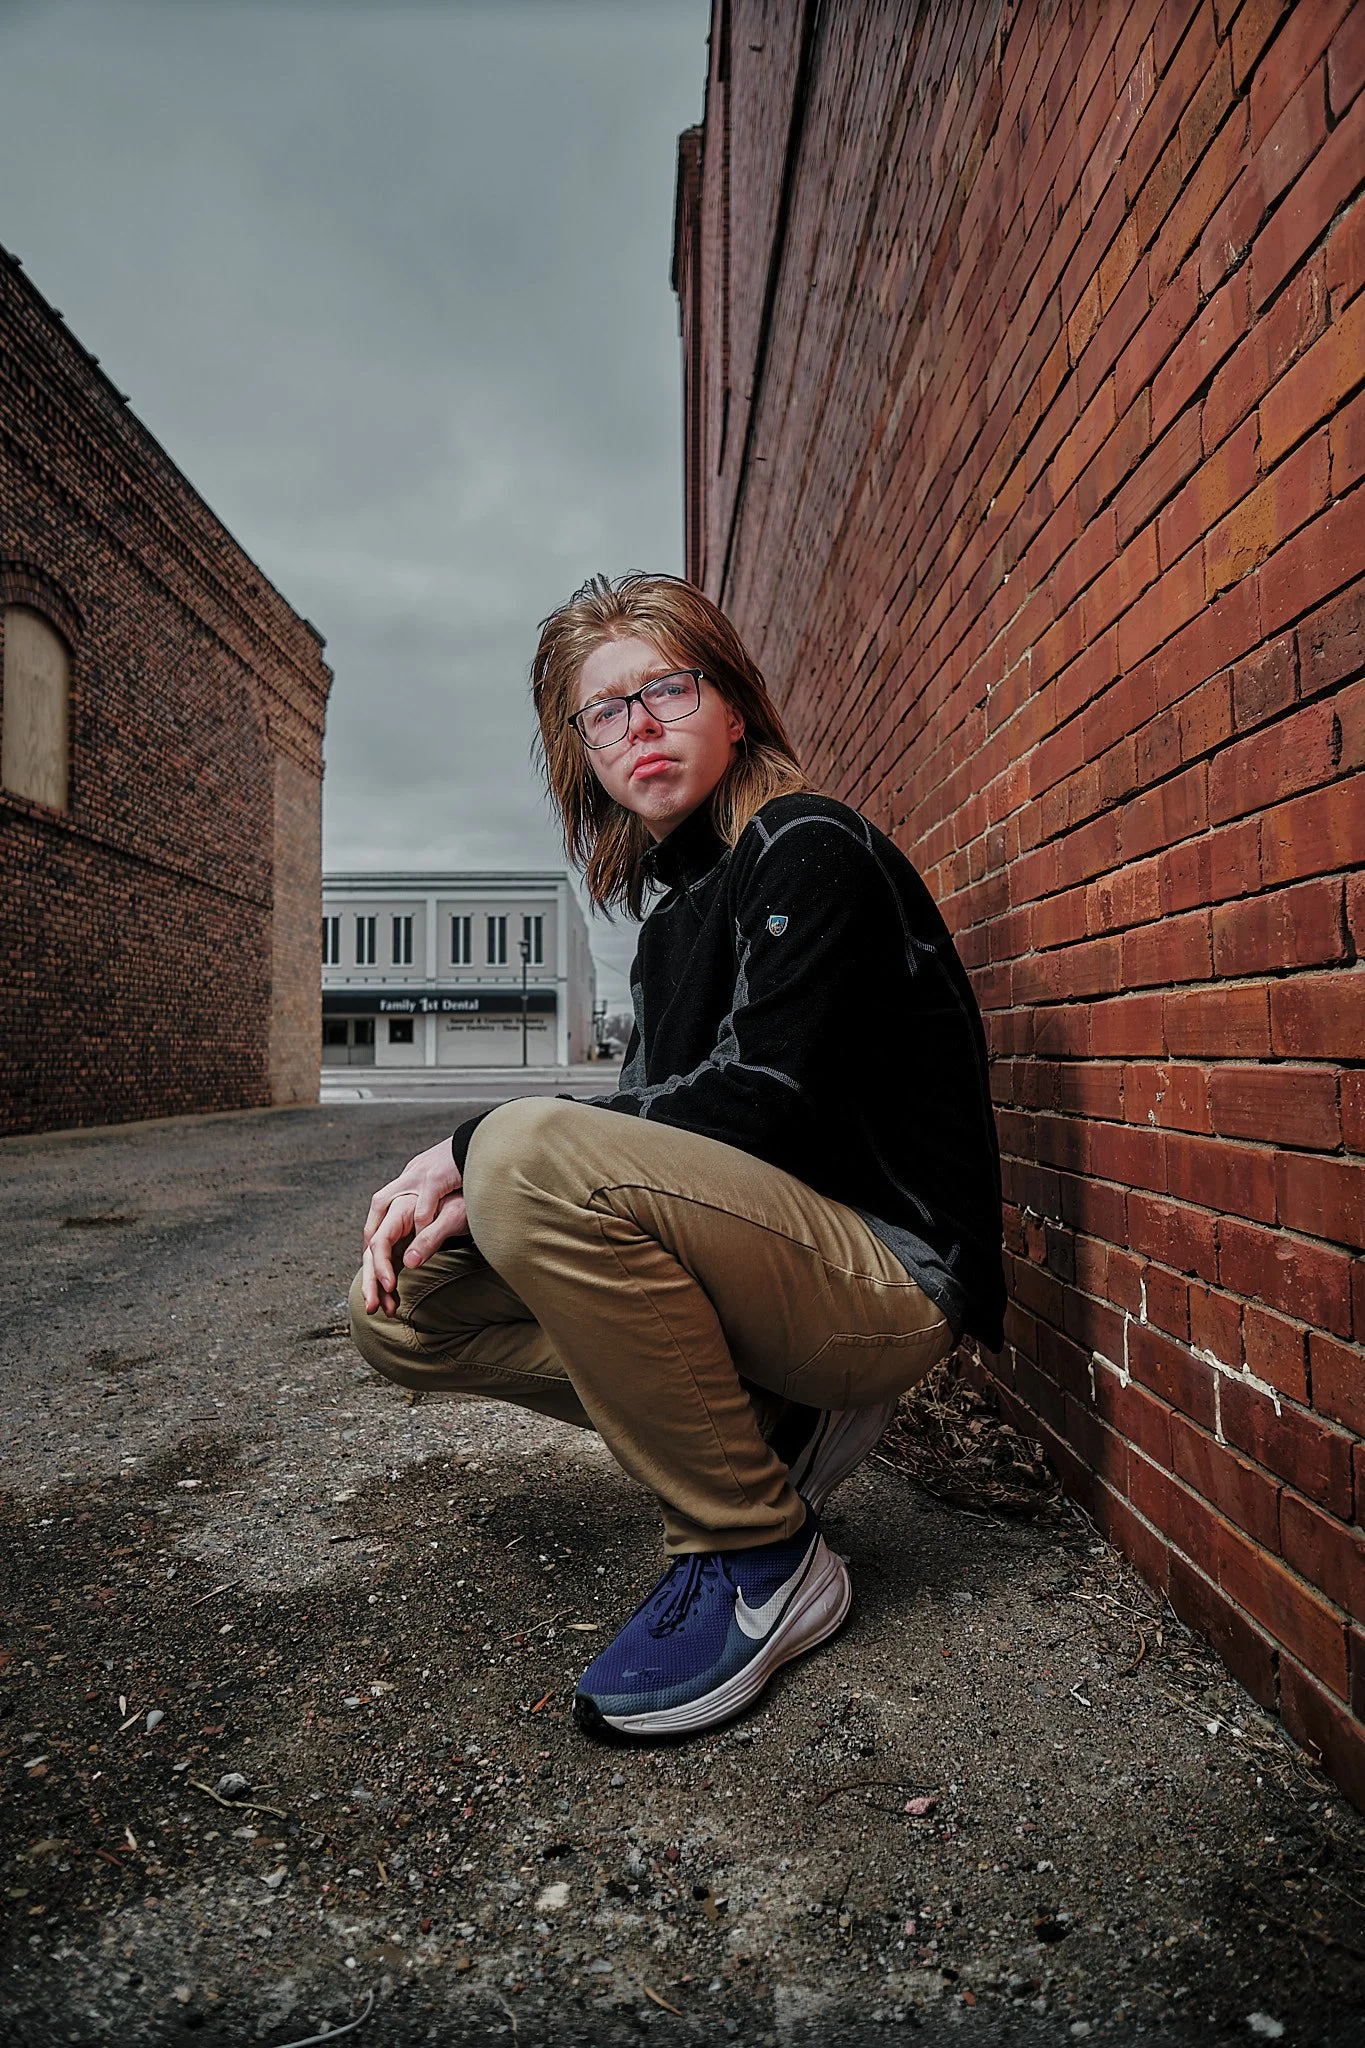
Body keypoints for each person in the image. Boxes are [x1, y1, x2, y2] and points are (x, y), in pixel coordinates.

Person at [351, 573, 1005, 1741]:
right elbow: (651, 1123)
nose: (640, 725)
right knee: (404, 1309)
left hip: (887, 1277)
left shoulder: (808, 844)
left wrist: (479, 1150)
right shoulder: (665, 926)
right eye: (606, 709)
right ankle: (765, 1425)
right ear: (583, 750)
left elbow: (761, 1100)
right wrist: (499, 1189)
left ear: (734, 706)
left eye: (668, 687)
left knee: (521, 1152)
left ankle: (758, 1549)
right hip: (769, 1265)